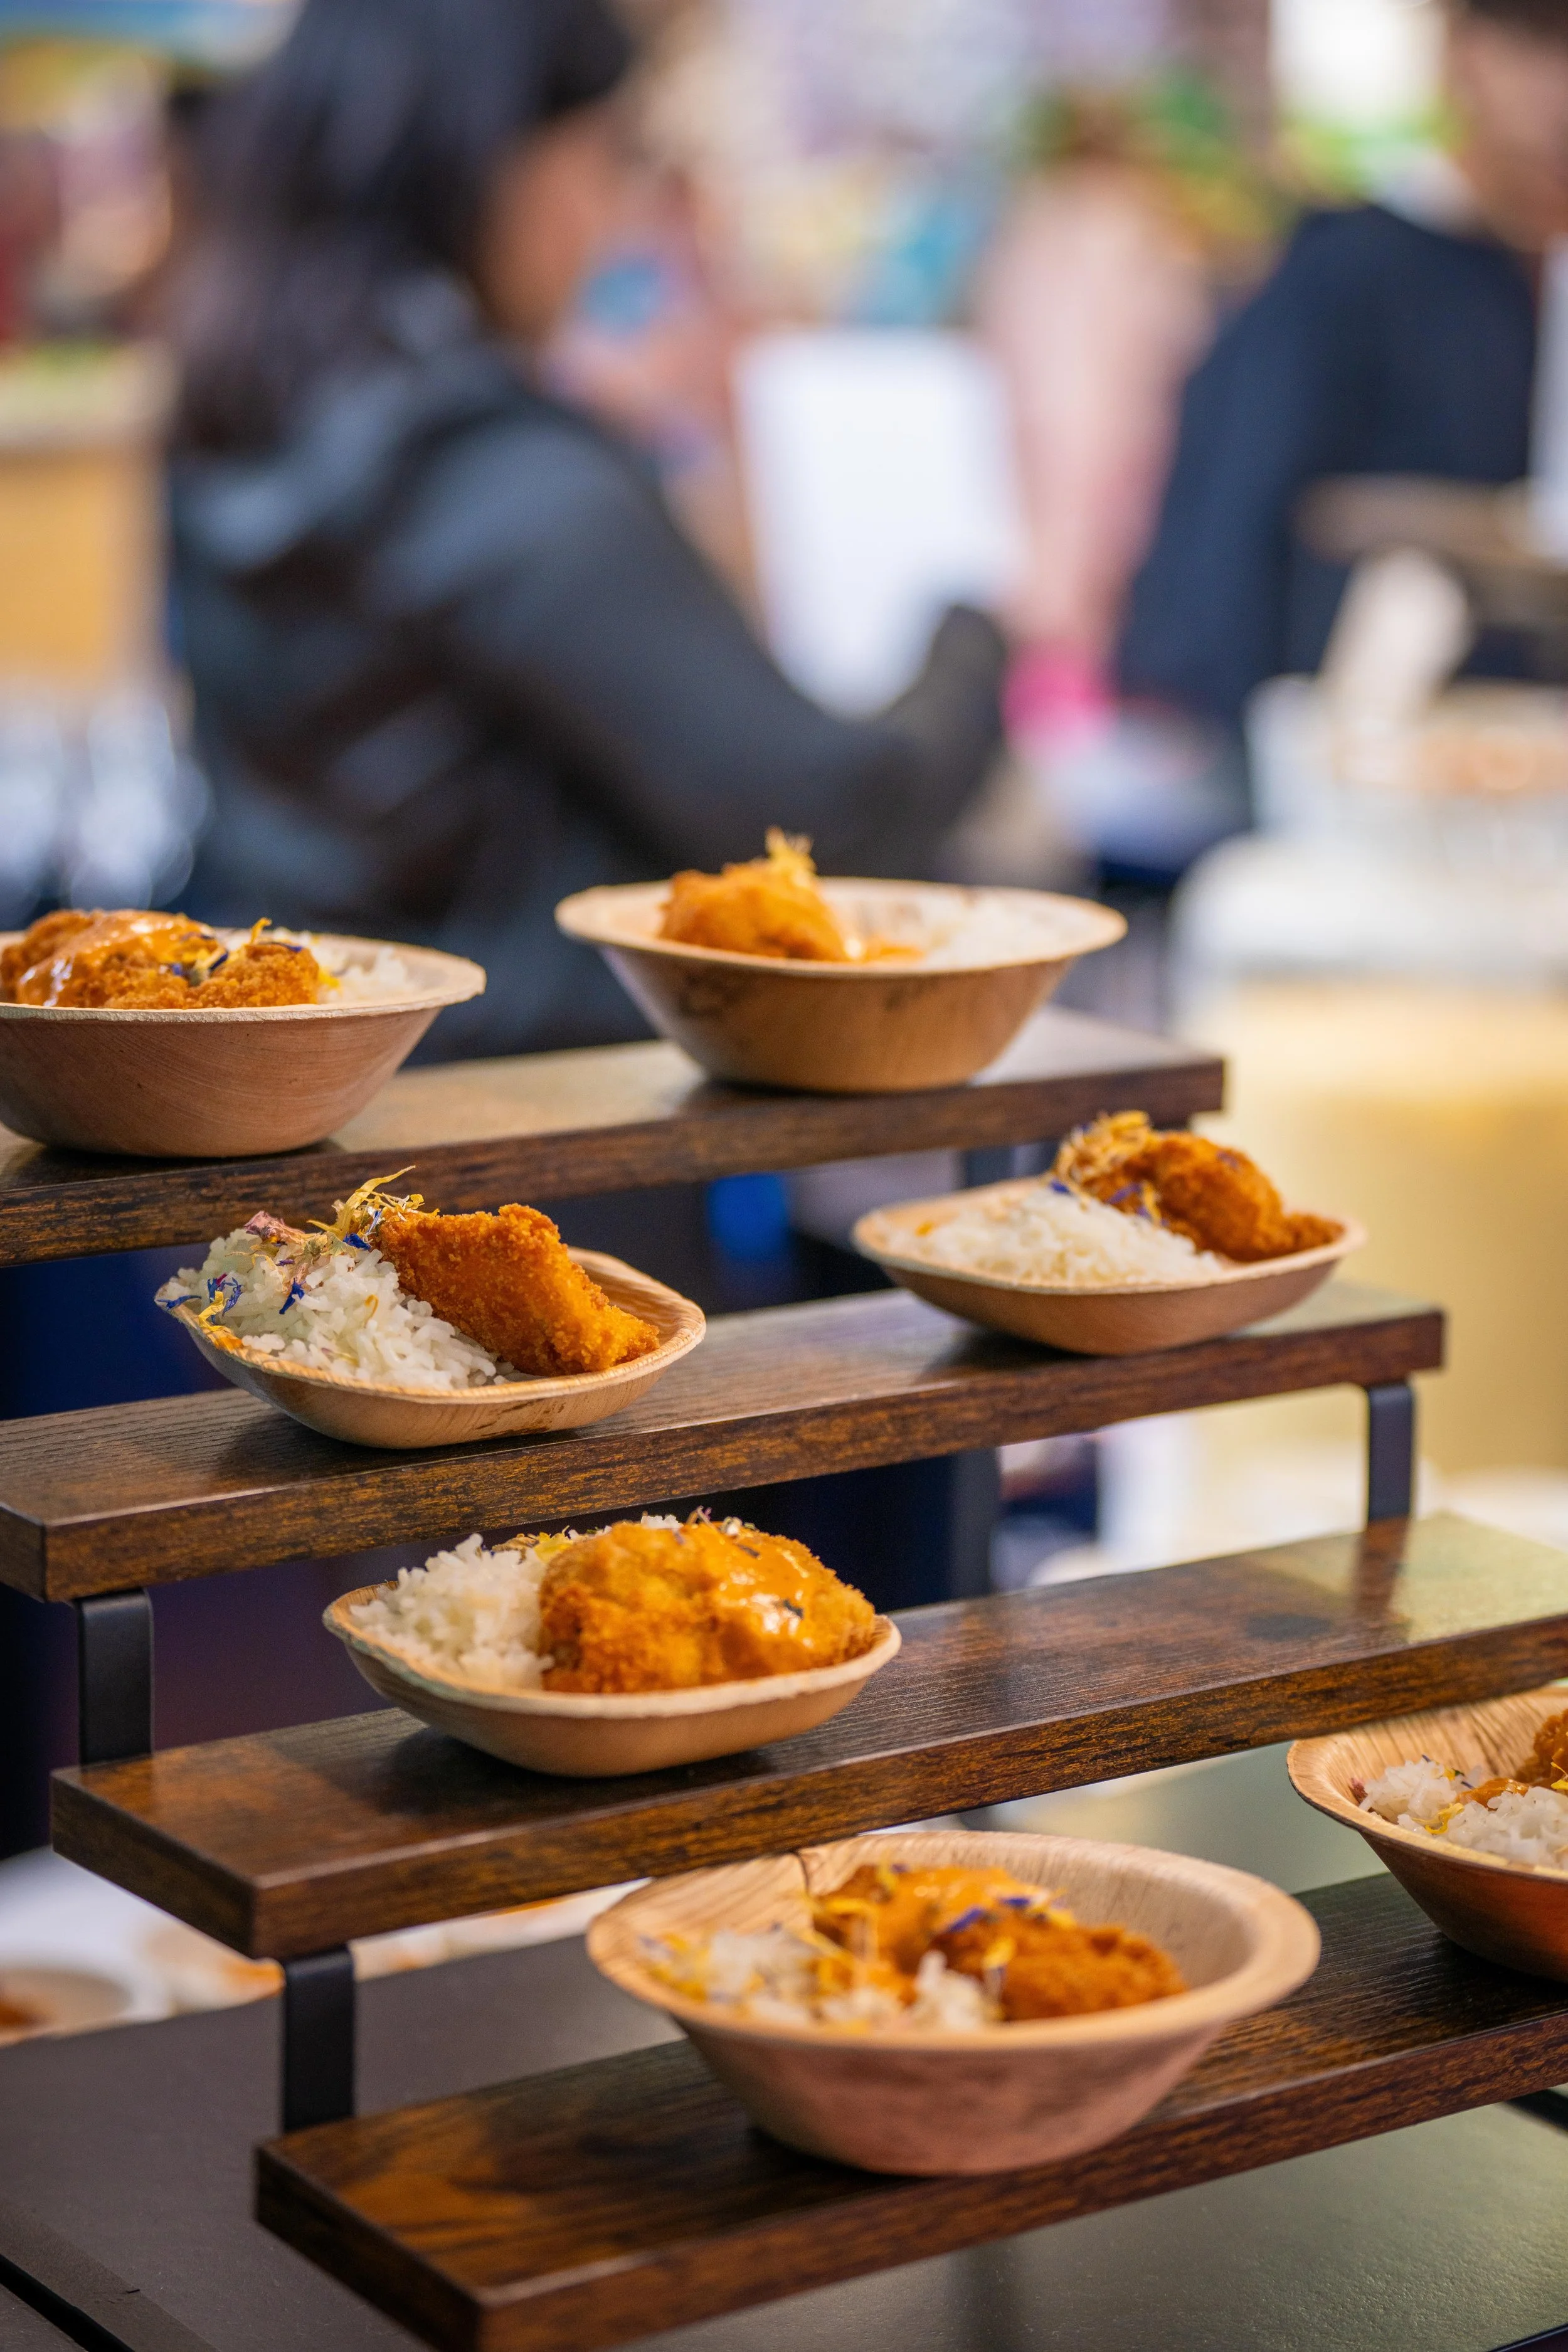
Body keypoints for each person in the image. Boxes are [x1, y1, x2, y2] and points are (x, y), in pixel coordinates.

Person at [167, 0, 1005, 1057]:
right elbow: (825, 817)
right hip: (554, 1105)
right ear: (501, 163)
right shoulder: (497, 475)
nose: (611, 220)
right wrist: (974, 640)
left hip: (336, 1071)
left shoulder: (243, 422)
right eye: (608, 159)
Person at [1118, 0, 1568, 734]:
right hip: (1369, 743)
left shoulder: (1534, 271)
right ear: (1464, 52)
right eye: (1540, 42)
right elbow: (1231, 535)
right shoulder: (1352, 271)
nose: (1556, 89)